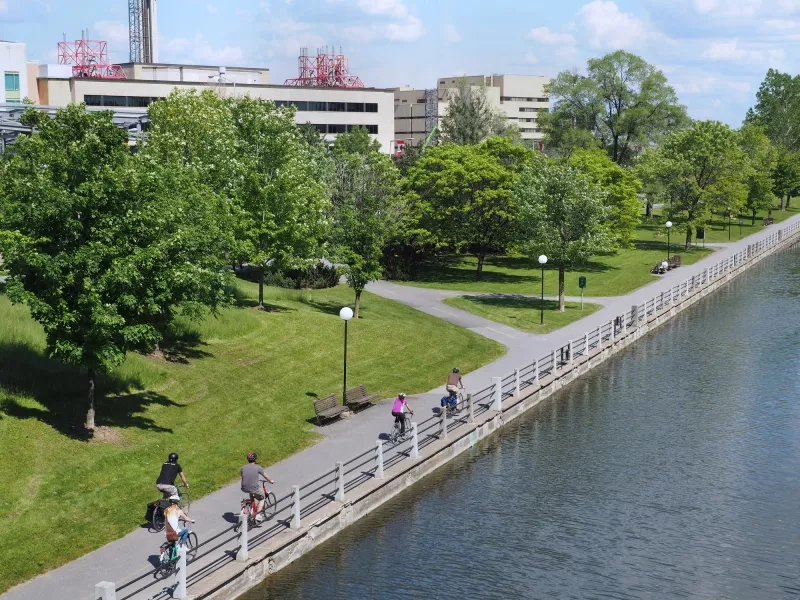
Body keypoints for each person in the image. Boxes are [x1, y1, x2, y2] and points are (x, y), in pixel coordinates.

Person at [241, 452, 274, 523]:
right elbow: (265, 476)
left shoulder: (243, 468)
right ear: (255, 459)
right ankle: (258, 515)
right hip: (253, 488)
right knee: (262, 497)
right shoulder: (258, 467)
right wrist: (270, 480)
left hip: (244, 487)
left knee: (252, 494)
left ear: (248, 459)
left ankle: (252, 508)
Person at [163, 494, 194, 561]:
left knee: (172, 545)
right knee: (185, 530)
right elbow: (185, 518)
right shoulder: (178, 511)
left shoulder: (166, 510)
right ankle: (182, 545)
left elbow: (170, 519)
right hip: (175, 533)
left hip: (167, 533)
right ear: (177, 502)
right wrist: (191, 520)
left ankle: (171, 561)